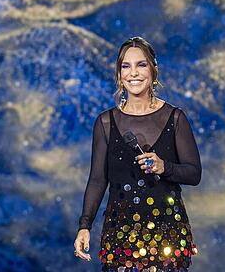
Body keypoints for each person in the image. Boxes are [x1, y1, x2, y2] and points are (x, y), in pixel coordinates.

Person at [74, 37, 202, 272]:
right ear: (119, 75)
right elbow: (97, 180)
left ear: (153, 71)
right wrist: (85, 226)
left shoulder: (175, 118)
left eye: (141, 65)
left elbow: (194, 174)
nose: (134, 73)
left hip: (167, 238)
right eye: (126, 66)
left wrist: (165, 167)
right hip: (120, 239)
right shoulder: (105, 122)